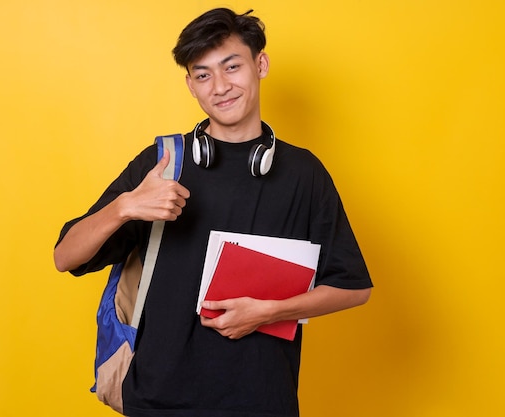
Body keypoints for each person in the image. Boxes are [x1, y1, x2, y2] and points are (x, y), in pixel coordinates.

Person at [54, 7, 372, 417]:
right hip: (156, 402)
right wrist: (125, 206)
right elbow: (65, 256)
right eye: (203, 75)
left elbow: (354, 287)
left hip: (262, 402)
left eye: (231, 67)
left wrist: (271, 311)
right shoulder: (163, 163)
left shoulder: (304, 174)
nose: (220, 86)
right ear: (191, 85)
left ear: (260, 64)